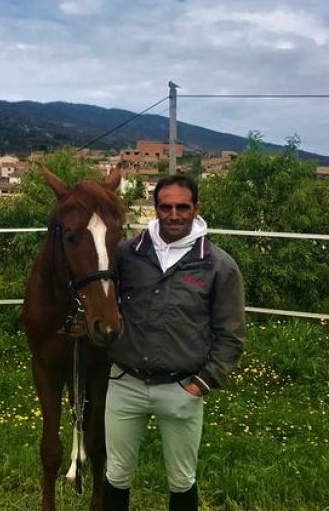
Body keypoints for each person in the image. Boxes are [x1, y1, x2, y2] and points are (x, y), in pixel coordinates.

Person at [103, 174, 247, 511]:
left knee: (182, 479)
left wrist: (203, 383)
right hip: (126, 384)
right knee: (116, 473)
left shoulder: (218, 265)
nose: (174, 215)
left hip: (182, 387)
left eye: (183, 207)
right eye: (165, 207)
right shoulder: (126, 255)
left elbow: (231, 334)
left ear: (197, 208)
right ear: (155, 209)